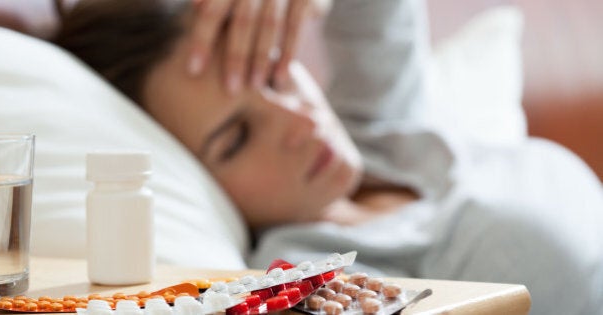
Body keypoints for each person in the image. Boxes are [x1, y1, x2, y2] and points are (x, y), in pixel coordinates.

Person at [53, 1, 603, 315]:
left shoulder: (386, 135)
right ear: (194, 175)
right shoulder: (319, 272)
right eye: (236, 139)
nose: (298, 121)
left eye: (274, 72)